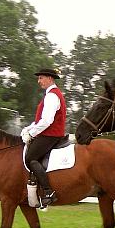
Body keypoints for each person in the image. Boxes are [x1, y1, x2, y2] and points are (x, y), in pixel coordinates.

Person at [21, 68, 67, 207]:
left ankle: (48, 191)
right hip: (49, 133)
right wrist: (28, 129)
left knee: (30, 158)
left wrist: (32, 134)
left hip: (50, 134)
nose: (38, 81)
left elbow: (47, 121)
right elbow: (39, 121)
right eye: (39, 78)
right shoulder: (51, 94)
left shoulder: (52, 96)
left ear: (50, 79)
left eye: (41, 78)